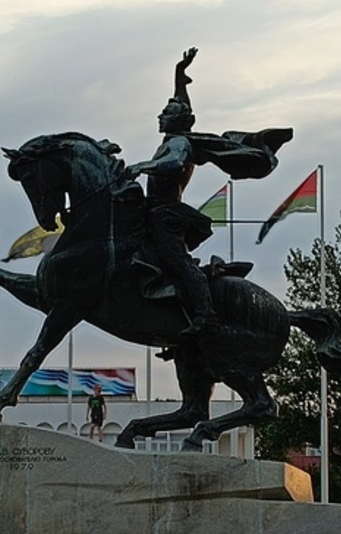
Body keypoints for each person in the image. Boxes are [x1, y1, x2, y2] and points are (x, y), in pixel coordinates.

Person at [126, 47, 218, 338]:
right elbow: (182, 103)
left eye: (166, 113)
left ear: (177, 121)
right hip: (151, 209)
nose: (160, 115)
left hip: (167, 214)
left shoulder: (180, 145)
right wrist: (180, 74)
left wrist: (144, 165)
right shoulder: (172, 137)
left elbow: (174, 164)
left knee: (175, 260)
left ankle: (206, 314)